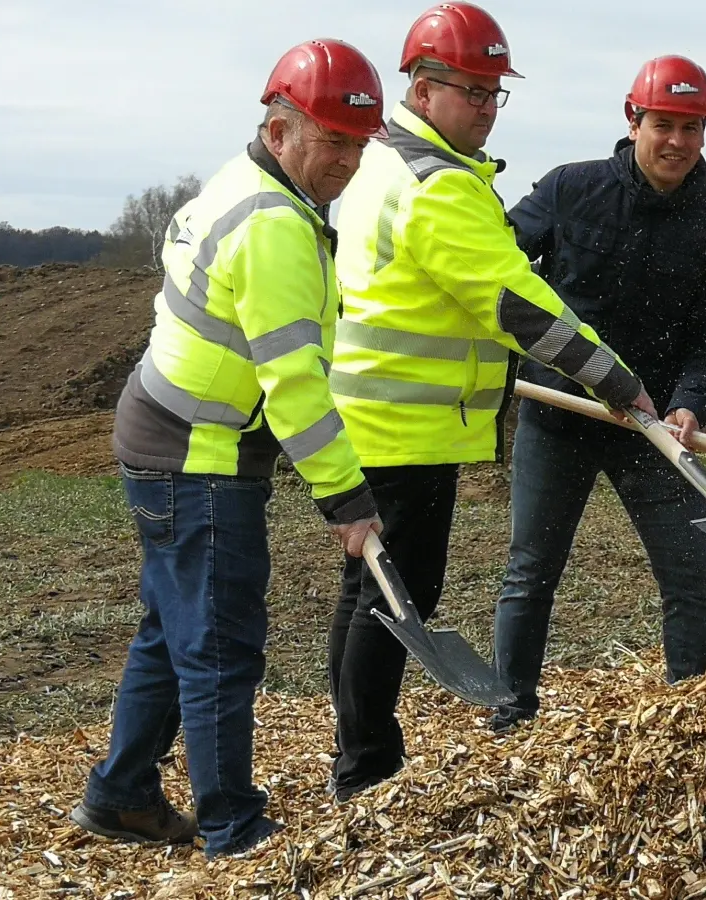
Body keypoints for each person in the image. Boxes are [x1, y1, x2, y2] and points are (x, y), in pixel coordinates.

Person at [327, 2, 653, 801]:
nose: (484, 107)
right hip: (410, 425)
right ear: (421, 88)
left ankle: (356, 753)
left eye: (493, 93)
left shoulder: (378, 163)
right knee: (398, 601)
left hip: (365, 419)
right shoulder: (439, 188)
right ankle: (367, 770)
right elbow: (519, 306)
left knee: (367, 593)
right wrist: (615, 378)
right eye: (471, 90)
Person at [71, 39, 387, 857]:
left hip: (160, 432)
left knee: (170, 631)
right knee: (219, 644)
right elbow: (294, 388)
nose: (347, 163)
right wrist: (348, 504)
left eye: (358, 145)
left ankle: (121, 793)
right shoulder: (273, 225)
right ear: (279, 131)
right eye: (333, 143)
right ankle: (234, 829)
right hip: (196, 456)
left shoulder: (248, 182)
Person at [488, 55, 706, 733]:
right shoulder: (572, 189)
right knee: (529, 574)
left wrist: (692, 401)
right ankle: (511, 717)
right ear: (634, 120)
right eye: (664, 124)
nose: (678, 142)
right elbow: (499, 263)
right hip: (557, 412)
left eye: (692, 128)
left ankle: (689, 719)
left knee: (689, 581)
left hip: (653, 428)